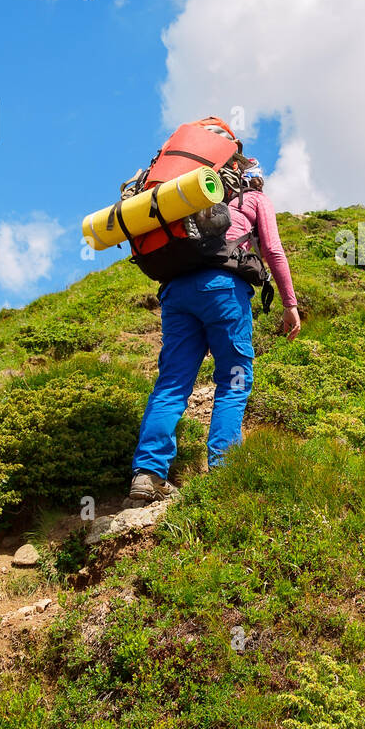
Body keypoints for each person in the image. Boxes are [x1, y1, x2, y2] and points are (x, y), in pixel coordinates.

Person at [129, 159, 300, 502]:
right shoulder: (253, 198)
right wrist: (290, 304)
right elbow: (273, 250)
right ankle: (223, 471)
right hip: (224, 288)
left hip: (176, 290)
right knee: (234, 378)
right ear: (252, 178)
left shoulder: (191, 195)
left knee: (172, 382)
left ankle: (147, 475)